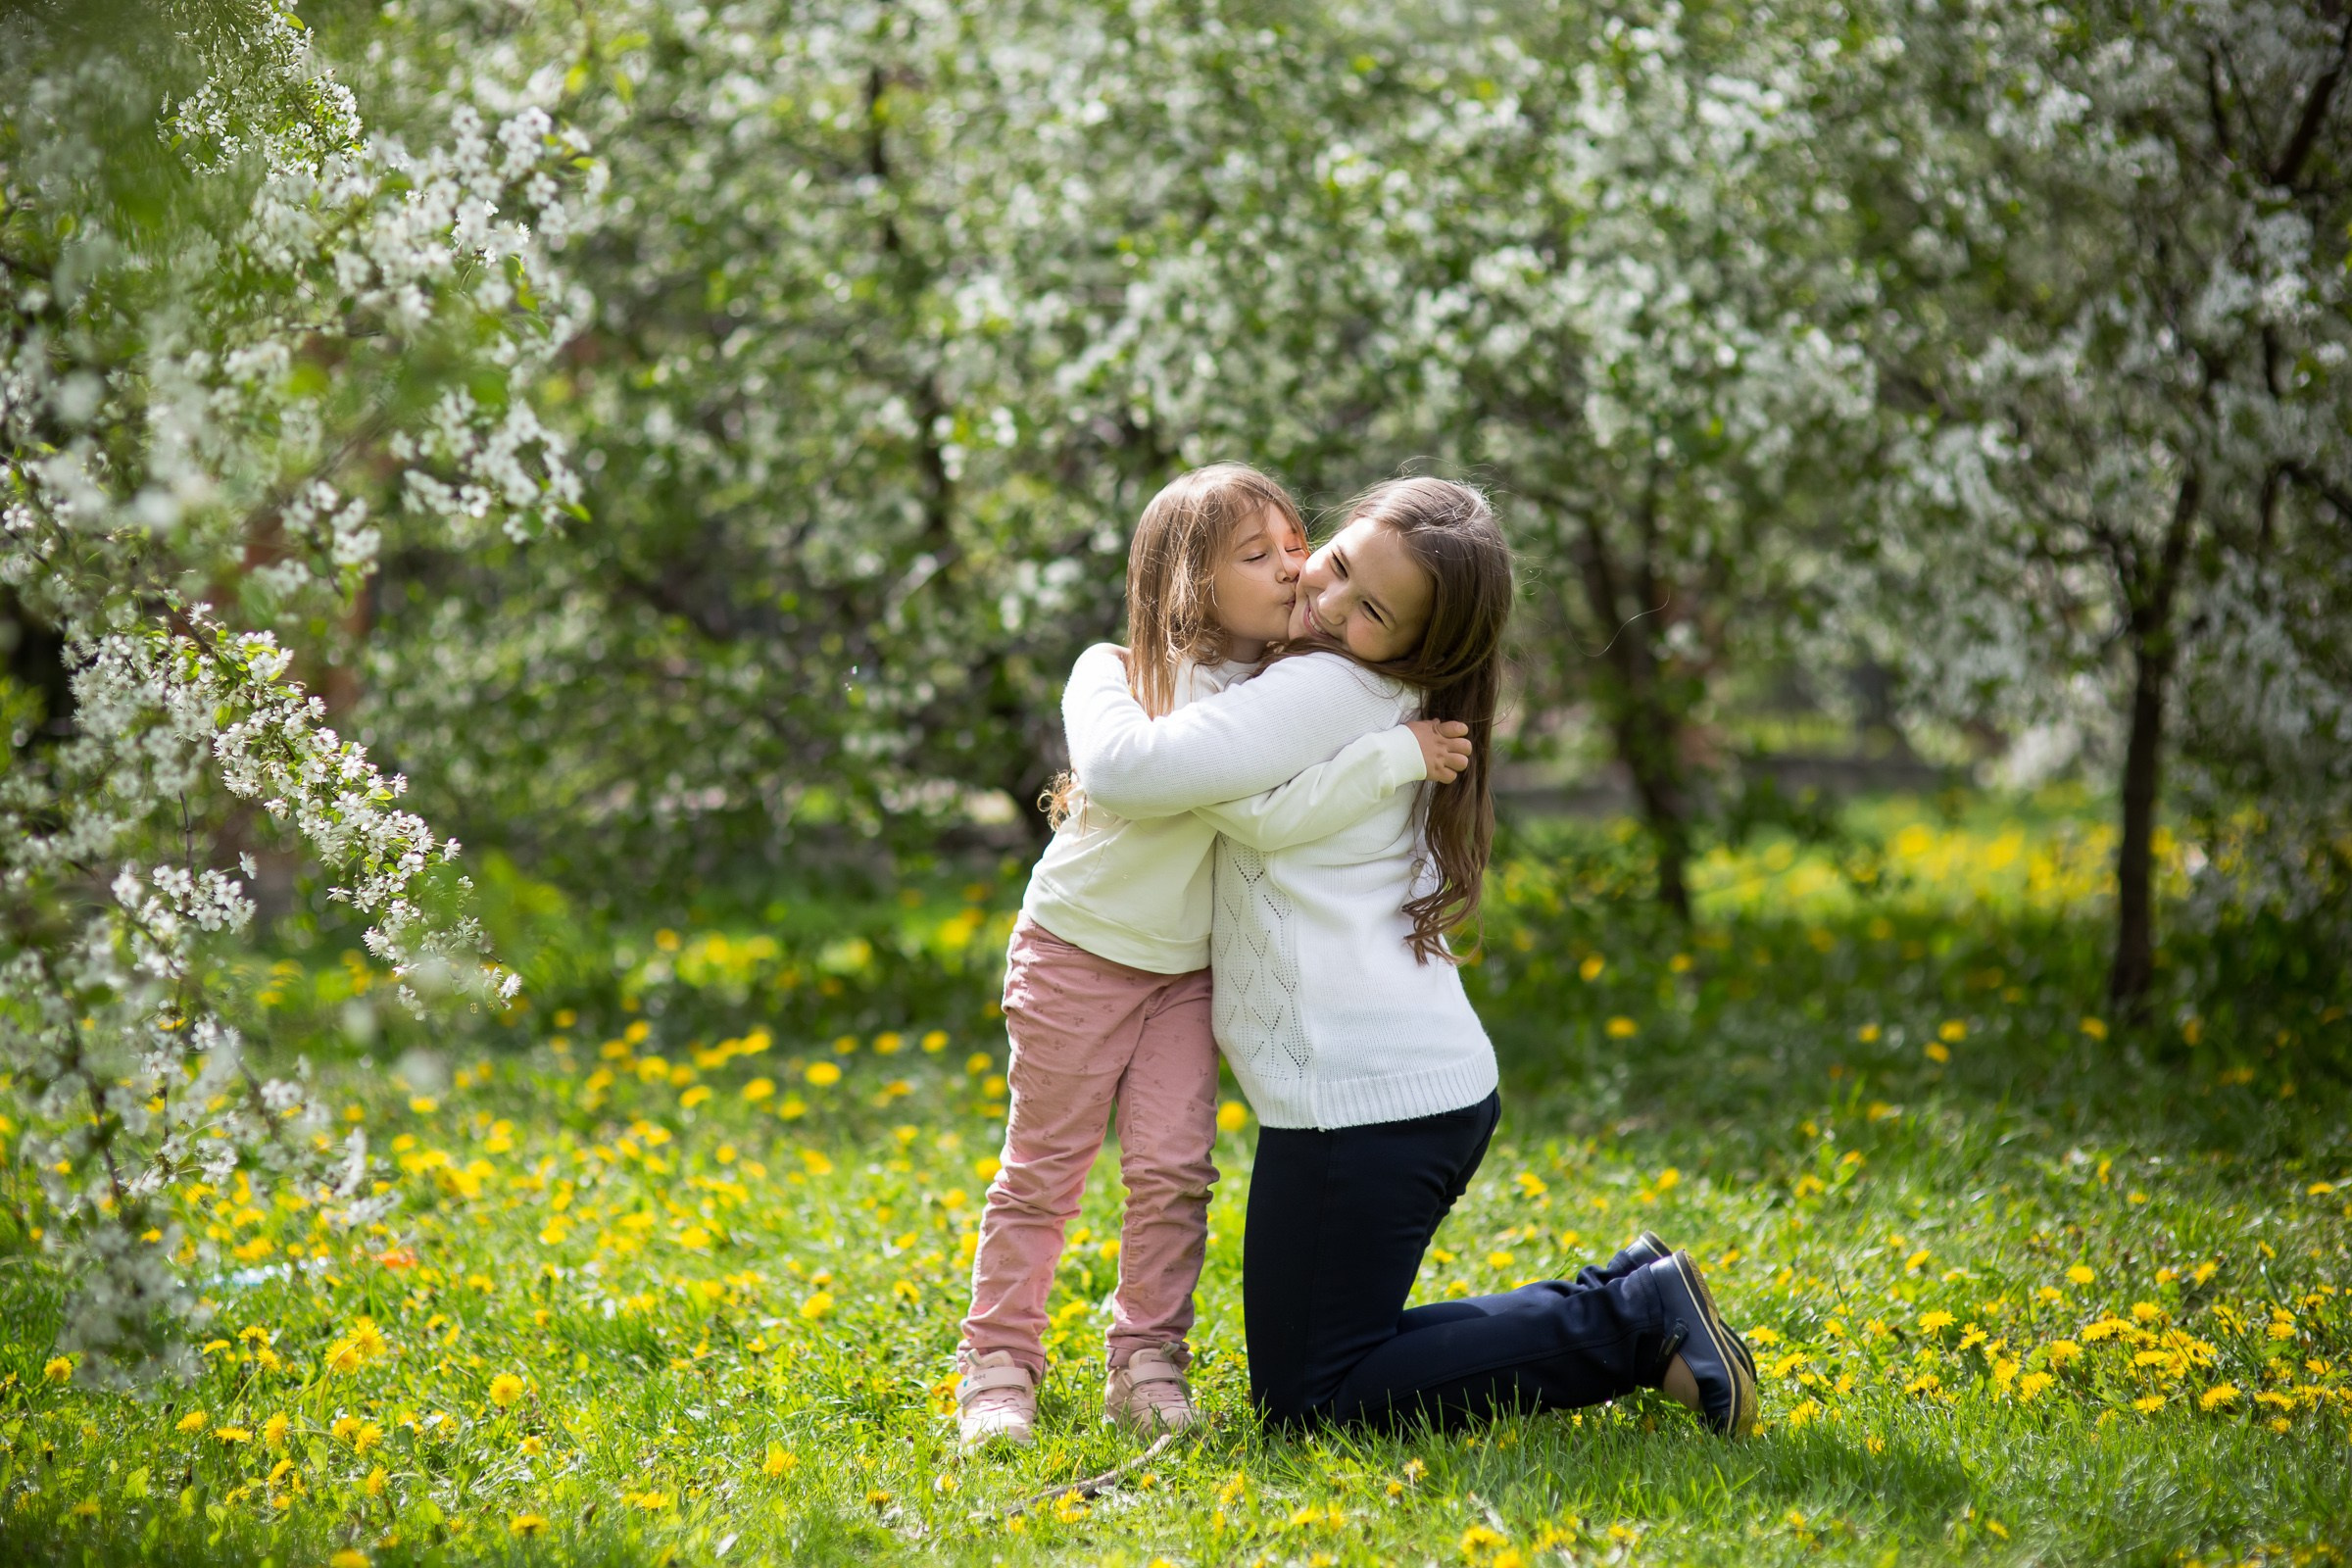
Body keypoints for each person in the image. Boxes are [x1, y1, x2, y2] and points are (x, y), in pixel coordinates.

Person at [1077, 476, 1757, 1436]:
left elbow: (1127, 771)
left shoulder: (1324, 687)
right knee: (1327, 1371)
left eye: (1373, 611)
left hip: (1370, 1109)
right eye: (1340, 565)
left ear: (1419, 646)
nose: (1328, 602)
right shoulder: (1360, 684)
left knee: (1316, 1397)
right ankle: (1631, 1300)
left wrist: (1100, 670)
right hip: (1393, 1095)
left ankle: (1632, 1320)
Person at [953, 463, 1475, 1449]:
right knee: (1044, 1170)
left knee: (1174, 1173)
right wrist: (1383, 751)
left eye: (1294, 542)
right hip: (1076, 954)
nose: (1293, 567)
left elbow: (1278, 817)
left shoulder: (1286, 692)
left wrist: (1392, 755)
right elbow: (1142, 777)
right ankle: (998, 1368)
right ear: (1190, 583)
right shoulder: (1110, 671)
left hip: (1189, 976)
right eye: (1256, 554)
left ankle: (1147, 1361)